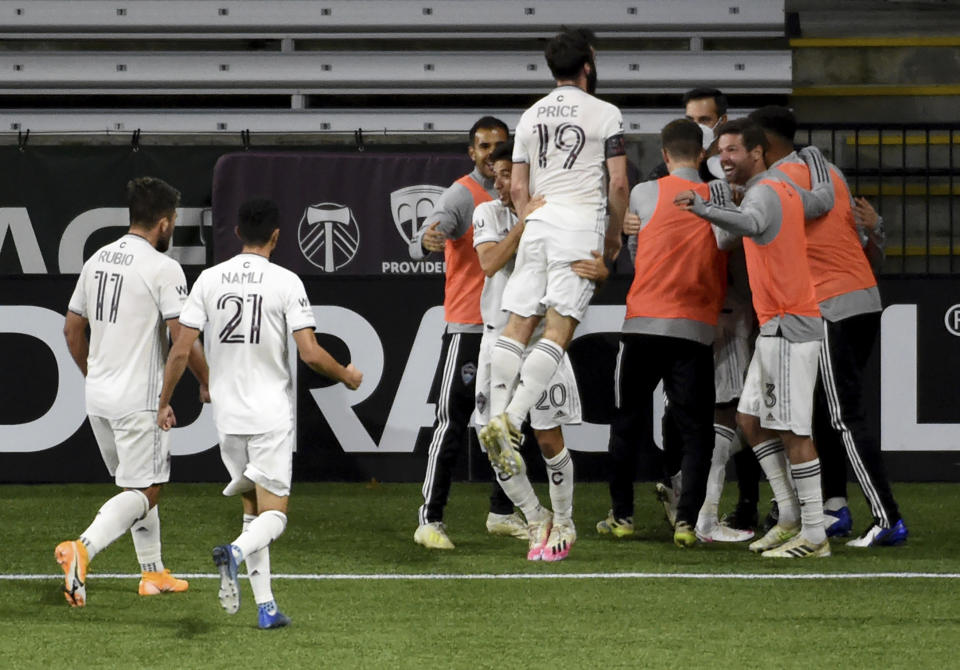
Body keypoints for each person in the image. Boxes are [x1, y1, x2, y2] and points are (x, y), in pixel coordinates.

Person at [157, 198, 362, 629]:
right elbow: (309, 353)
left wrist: (165, 399)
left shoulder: (209, 280)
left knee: (253, 510)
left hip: (227, 415)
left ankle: (266, 607)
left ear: (236, 233)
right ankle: (233, 552)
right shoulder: (285, 281)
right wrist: (346, 375)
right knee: (275, 516)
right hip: (269, 413)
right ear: (276, 236)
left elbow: (180, 347)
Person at [480, 27, 628, 564]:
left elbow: (518, 188)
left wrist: (527, 219)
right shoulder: (604, 112)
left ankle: (502, 413)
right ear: (589, 61)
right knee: (559, 328)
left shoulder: (530, 116)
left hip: (537, 219)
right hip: (578, 220)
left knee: (518, 321)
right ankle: (512, 417)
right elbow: (615, 184)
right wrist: (611, 244)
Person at [749, 105, 907, 547]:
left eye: (744, 145)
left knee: (841, 416)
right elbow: (851, 235)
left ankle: (887, 518)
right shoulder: (829, 171)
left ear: (763, 146)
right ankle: (835, 507)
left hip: (828, 306)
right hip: (860, 297)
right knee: (819, 411)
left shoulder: (777, 183)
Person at [676, 118, 830, 558]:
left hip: (787, 323)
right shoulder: (783, 186)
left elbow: (748, 224)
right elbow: (820, 201)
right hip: (776, 325)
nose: (723, 158)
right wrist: (816, 164)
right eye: (719, 150)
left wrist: (704, 206)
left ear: (758, 153)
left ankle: (815, 535)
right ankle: (787, 517)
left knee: (794, 431)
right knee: (749, 419)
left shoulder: (763, 193)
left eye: (733, 151)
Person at [57, 176, 207, 607]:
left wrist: (94, 374)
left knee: (137, 485)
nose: (173, 228)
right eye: (174, 221)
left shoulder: (97, 259)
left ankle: (152, 572)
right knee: (147, 489)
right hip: (138, 401)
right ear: (163, 223)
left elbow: (71, 330)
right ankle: (82, 548)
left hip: (99, 397)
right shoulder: (163, 268)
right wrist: (206, 381)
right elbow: (183, 338)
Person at [597, 119, 737, 547]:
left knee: (626, 422)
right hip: (694, 328)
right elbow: (729, 240)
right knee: (697, 430)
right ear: (703, 155)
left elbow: (638, 254)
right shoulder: (720, 194)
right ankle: (686, 523)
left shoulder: (643, 192)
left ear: (663, 154)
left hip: (643, 322)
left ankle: (622, 516)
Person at [473, 142, 607, 561]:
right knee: (493, 439)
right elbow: (489, 263)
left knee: (548, 440)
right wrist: (523, 222)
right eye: (495, 175)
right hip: (499, 338)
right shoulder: (488, 214)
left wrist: (602, 270)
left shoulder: (563, 218)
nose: (499, 182)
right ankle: (535, 517)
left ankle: (565, 520)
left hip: (541, 343)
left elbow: (586, 275)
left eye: (507, 174)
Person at [409, 116, 527, 550]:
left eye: (499, 146)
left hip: (512, 325)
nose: (491, 153)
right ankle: (430, 518)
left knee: (511, 423)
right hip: (470, 325)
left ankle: (501, 510)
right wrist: (426, 240)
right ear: (472, 151)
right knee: (453, 423)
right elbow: (427, 234)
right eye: (483, 146)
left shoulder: (520, 195)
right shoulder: (464, 194)